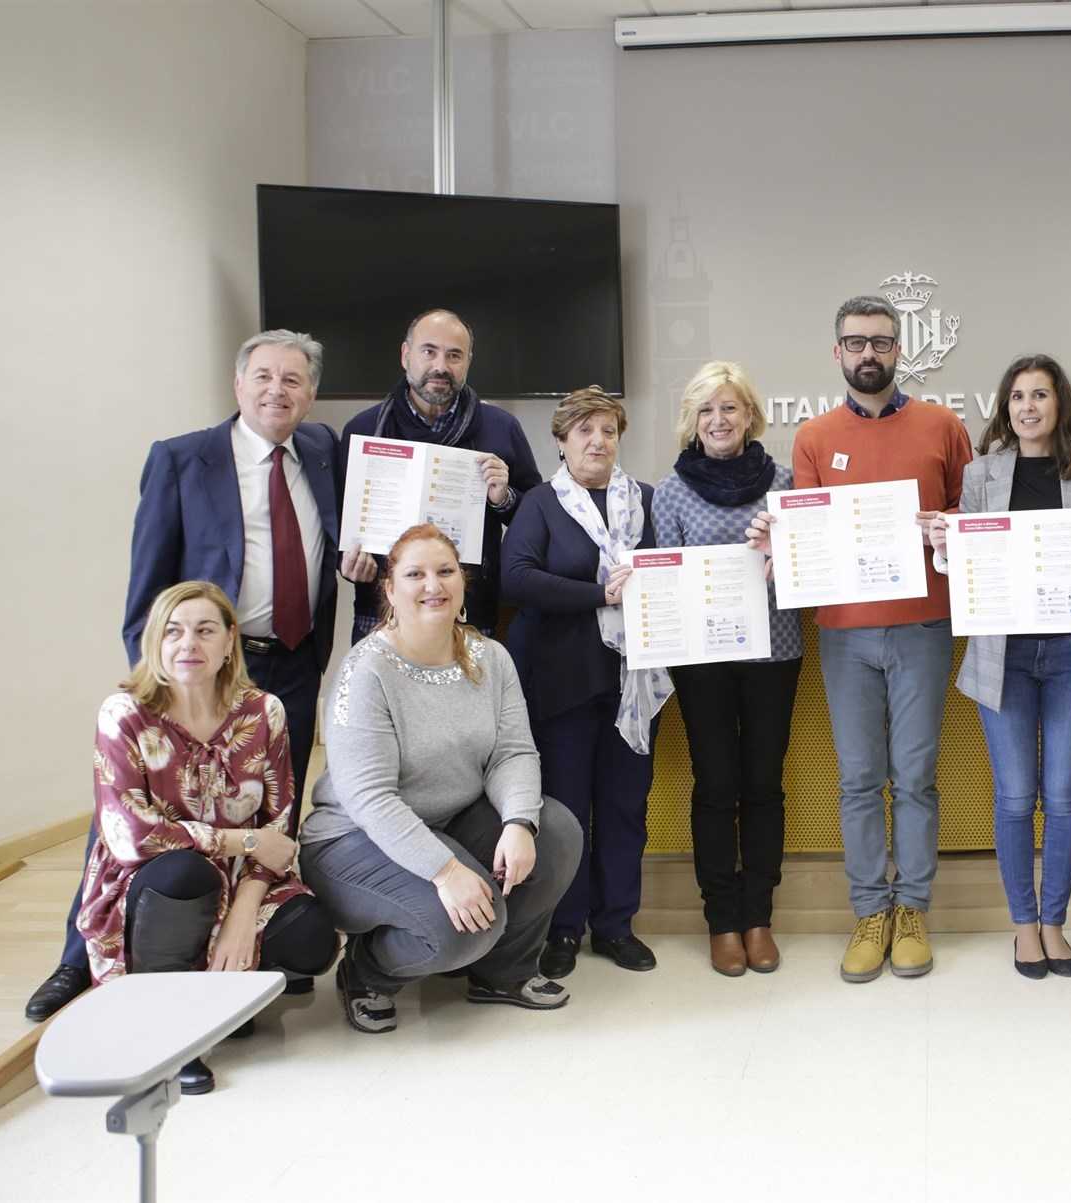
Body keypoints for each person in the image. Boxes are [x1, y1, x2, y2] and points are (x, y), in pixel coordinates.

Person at [26, 329, 342, 1023]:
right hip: (202, 662)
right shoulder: (181, 459)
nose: (276, 391)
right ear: (238, 384)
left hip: (289, 663)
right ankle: (78, 958)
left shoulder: (323, 452)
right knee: (141, 807)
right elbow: (147, 592)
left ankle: (247, 944)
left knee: (268, 806)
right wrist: (163, 680)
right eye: (263, 376)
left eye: (293, 380)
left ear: (311, 395)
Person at [746, 295, 973, 983]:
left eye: (879, 341)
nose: (867, 353)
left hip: (924, 626)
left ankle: (913, 911)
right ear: (837, 352)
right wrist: (776, 542)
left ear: (899, 350)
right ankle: (870, 910)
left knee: (916, 778)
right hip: (844, 635)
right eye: (855, 342)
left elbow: (971, 508)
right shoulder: (814, 437)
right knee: (857, 778)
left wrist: (947, 528)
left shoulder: (943, 425)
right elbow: (807, 535)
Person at [302, 524, 581, 1033]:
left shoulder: (490, 658)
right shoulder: (367, 670)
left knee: (556, 833)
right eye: (415, 574)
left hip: (447, 819)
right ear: (390, 590)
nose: (433, 585)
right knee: (468, 927)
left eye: (445, 571)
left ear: (463, 581)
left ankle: (501, 974)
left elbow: (512, 752)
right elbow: (369, 797)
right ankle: (366, 974)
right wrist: (445, 870)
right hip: (355, 839)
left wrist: (519, 822)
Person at [77, 582, 339, 1093]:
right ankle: (170, 1033)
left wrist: (244, 910)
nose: (187, 644)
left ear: (229, 642)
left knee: (312, 935)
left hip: (241, 879)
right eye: (172, 631)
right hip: (150, 884)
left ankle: (220, 994)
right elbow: (132, 838)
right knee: (185, 872)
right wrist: (237, 842)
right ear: (155, 641)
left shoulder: (264, 713)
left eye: (204, 630)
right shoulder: (124, 715)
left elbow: (278, 829)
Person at [926, 354, 1071, 978]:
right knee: (1016, 797)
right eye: (1017, 396)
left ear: (1059, 403)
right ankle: (1023, 926)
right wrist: (946, 548)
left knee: (1064, 798)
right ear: (1005, 406)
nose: (1027, 408)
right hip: (1005, 655)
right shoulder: (982, 473)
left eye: (1039, 395)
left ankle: (1055, 924)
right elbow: (969, 565)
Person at [503, 387, 668, 979]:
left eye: (608, 431)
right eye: (584, 432)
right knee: (566, 811)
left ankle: (617, 926)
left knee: (626, 806)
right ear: (562, 440)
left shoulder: (645, 499)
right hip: (562, 680)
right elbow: (516, 578)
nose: (598, 441)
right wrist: (600, 593)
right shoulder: (541, 504)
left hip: (635, 682)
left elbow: (673, 574)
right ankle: (564, 928)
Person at [653, 362, 804, 977]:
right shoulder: (670, 491)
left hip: (775, 654)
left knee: (763, 784)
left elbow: (807, 578)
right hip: (702, 662)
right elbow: (661, 581)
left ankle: (759, 914)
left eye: (730, 408)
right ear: (693, 421)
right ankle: (721, 918)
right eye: (707, 410)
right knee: (716, 786)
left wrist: (782, 559)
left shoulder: (788, 482)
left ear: (750, 416)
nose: (718, 420)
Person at [338, 309, 542, 640]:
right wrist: (345, 562)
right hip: (381, 614)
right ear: (406, 356)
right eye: (429, 351)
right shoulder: (363, 430)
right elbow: (338, 520)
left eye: (454, 355)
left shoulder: (501, 429)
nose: (441, 367)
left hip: (470, 612)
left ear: (468, 362)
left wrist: (504, 498)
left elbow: (534, 520)